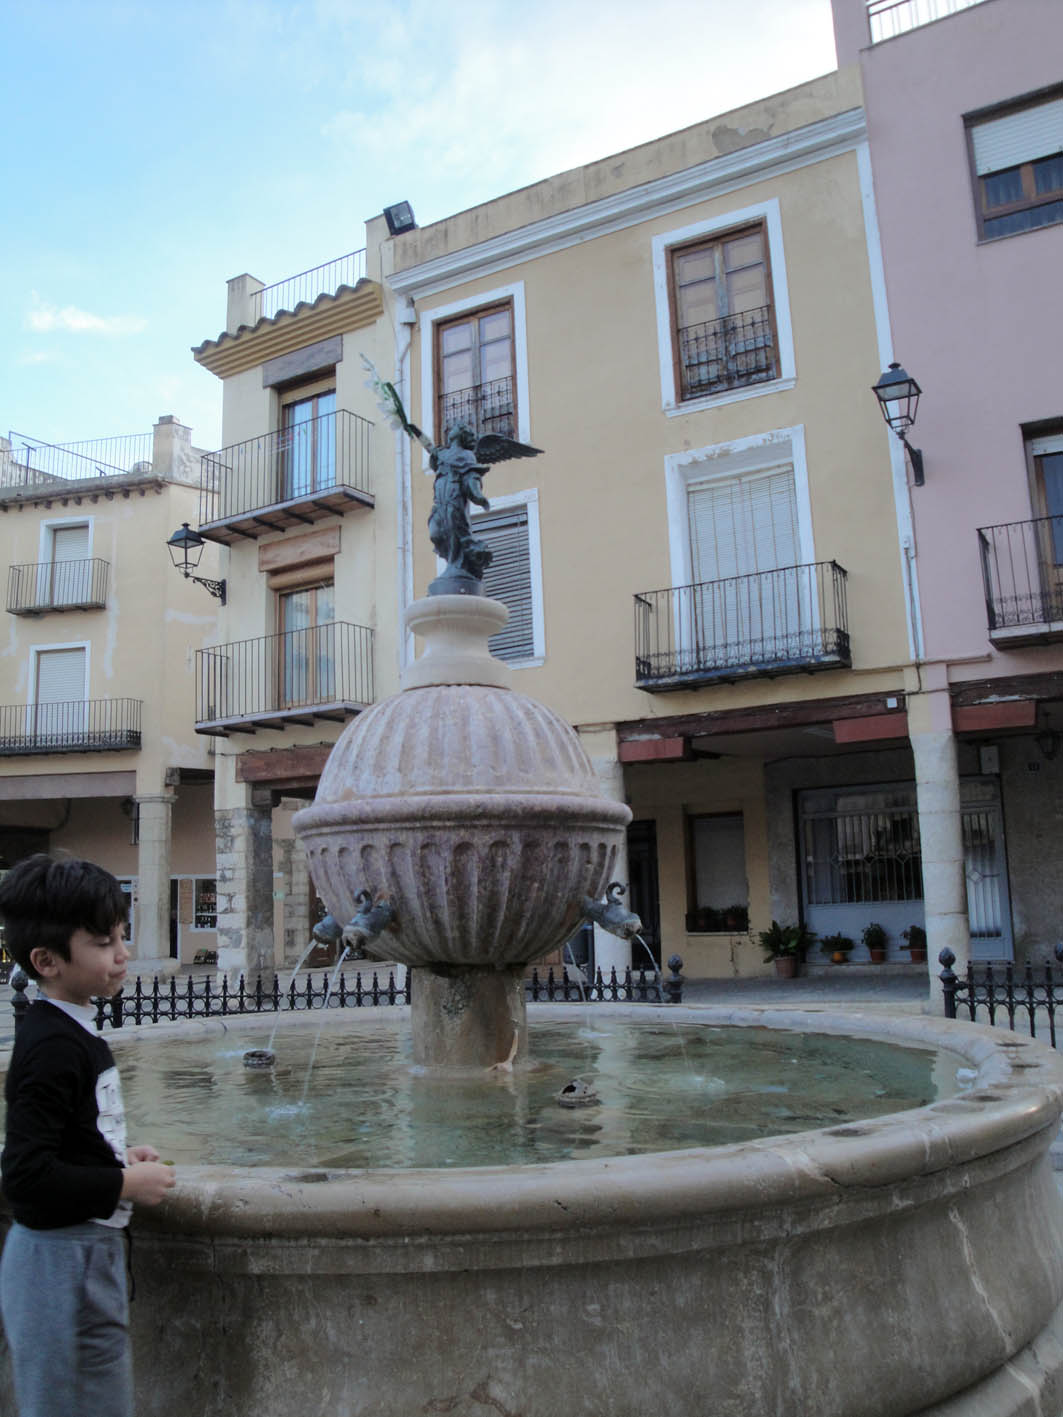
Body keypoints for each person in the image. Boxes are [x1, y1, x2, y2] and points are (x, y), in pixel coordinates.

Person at [0, 854, 175, 1417]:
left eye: (120, 936)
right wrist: (123, 1183)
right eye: (103, 943)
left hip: (84, 1254)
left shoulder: (71, 1030)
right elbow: (26, 1176)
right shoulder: (53, 1045)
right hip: (57, 1261)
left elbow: (62, 1138)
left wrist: (112, 1158)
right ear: (46, 961)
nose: (122, 954)